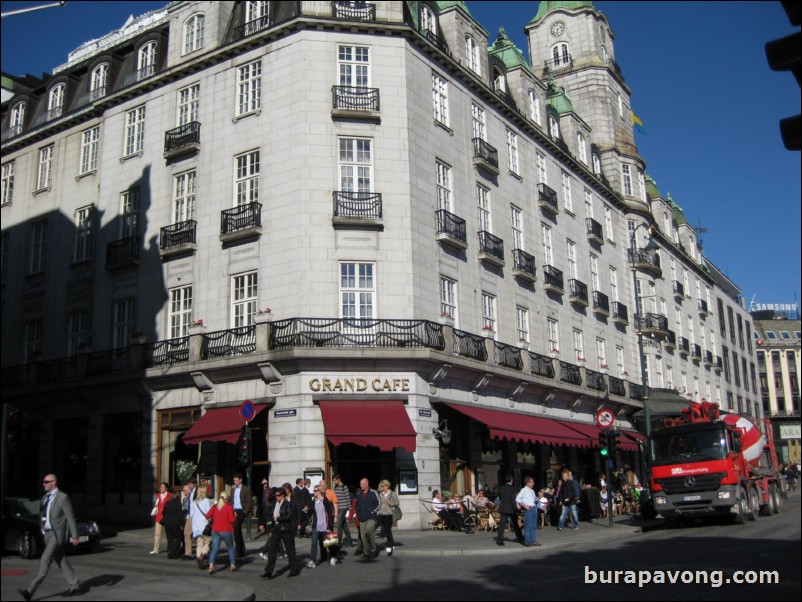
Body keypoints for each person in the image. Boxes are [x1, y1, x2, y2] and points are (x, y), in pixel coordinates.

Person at [18, 474, 80, 601]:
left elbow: (70, 517)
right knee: (61, 560)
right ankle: (75, 585)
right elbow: (42, 514)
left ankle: (30, 591)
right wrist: (42, 528)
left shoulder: (63, 498)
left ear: (54, 483)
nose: (44, 483)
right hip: (47, 534)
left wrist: (75, 536)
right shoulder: (45, 497)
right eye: (43, 482)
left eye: (46, 482)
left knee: (45, 559)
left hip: (56, 536)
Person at [261, 487, 300, 579]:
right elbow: (271, 516)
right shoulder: (275, 504)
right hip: (276, 529)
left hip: (285, 529)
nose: (277, 497)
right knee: (272, 550)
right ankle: (268, 571)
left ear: (283, 496)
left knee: (290, 549)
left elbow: (290, 516)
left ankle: (293, 570)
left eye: (278, 495)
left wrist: (279, 519)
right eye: (276, 495)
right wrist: (269, 528)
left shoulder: (287, 504)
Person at [205, 491, 237, 574]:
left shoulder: (215, 507)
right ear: (226, 499)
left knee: (215, 548)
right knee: (230, 547)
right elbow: (232, 520)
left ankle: (211, 566)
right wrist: (235, 515)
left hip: (215, 530)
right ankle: (232, 564)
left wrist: (214, 516)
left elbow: (207, 515)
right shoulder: (229, 507)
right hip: (226, 530)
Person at [307, 484, 337, 567]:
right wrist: (307, 510)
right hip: (316, 526)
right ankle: (312, 560)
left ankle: (333, 557)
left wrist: (329, 527)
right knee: (314, 543)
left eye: (315, 490)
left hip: (325, 525)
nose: (314, 492)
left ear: (320, 491)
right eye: (313, 490)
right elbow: (311, 513)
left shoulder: (325, 500)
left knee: (329, 543)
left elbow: (329, 515)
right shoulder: (313, 501)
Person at [355, 478, 380, 558]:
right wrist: (358, 513)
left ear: (367, 484)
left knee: (369, 531)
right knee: (362, 535)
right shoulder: (359, 494)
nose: (361, 486)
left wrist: (373, 511)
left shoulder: (373, 492)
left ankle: (373, 549)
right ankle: (367, 551)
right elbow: (357, 505)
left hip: (371, 517)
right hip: (362, 517)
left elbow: (378, 502)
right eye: (360, 484)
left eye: (362, 484)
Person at [496, 475, 523, 545]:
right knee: (515, 524)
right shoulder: (513, 489)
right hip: (511, 508)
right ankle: (520, 537)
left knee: (502, 524)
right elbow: (513, 500)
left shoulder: (501, 488)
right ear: (511, 480)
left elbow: (500, 498)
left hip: (503, 508)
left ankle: (500, 539)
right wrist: (516, 508)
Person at [230, 473, 253, 558]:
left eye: (236, 480)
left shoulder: (246, 489)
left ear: (240, 480)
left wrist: (245, 512)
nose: (235, 482)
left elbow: (249, 502)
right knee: (237, 530)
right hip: (234, 510)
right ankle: (242, 550)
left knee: (235, 527)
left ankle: (238, 550)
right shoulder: (233, 489)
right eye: (234, 480)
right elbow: (232, 500)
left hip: (241, 511)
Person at [515, 477, 541, 547]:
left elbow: (533, 499)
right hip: (528, 509)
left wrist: (538, 498)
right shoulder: (523, 490)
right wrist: (525, 506)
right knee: (528, 526)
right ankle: (527, 541)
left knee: (533, 526)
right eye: (532, 482)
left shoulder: (532, 491)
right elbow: (518, 499)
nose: (533, 483)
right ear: (527, 483)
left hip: (533, 508)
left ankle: (533, 540)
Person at [191, 486, 213, 569]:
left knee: (199, 544)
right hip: (204, 525)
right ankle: (202, 557)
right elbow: (209, 513)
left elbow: (192, 514)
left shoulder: (194, 502)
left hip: (196, 525)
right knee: (208, 542)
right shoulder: (206, 501)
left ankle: (198, 557)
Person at [377, 480, 400, 556]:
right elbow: (378, 503)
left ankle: (389, 545)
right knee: (387, 530)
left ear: (387, 486)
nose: (382, 488)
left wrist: (391, 503)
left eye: (383, 486)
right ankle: (391, 543)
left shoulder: (392, 494)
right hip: (382, 514)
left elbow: (397, 503)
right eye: (381, 486)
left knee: (387, 529)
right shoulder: (380, 494)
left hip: (389, 514)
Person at [162, 488, 186, 558]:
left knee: (170, 539)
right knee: (178, 538)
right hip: (175, 523)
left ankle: (170, 553)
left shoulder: (167, 503)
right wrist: (182, 524)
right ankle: (172, 551)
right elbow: (180, 515)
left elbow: (163, 513)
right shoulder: (178, 504)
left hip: (167, 523)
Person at [332, 474, 355, 547]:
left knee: (338, 524)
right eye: (333, 480)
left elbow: (348, 498)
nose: (334, 482)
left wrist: (350, 508)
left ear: (339, 479)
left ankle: (339, 542)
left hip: (344, 507)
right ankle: (350, 541)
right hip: (338, 508)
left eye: (335, 480)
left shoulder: (344, 487)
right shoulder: (335, 487)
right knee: (344, 526)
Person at [151, 482, 171, 554]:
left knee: (169, 534)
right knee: (157, 534)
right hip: (159, 516)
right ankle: (156, 549)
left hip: (167, 517)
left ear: (166, 488)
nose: (161, 488)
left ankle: (171, 548)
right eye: (160, 487)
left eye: (163, 487)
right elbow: (156, 505)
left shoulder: (169, 495)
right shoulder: (158, 496)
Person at [183, 478, 197, 559]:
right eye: (188, 484)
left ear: (194, 484)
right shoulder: (190, 492)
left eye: (190, 484)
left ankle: (202, 552)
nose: (189, 486)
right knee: (186, 533)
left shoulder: (198, 491)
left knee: (199, 535)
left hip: (197, 516)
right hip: (191, 515)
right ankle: (188, 553)